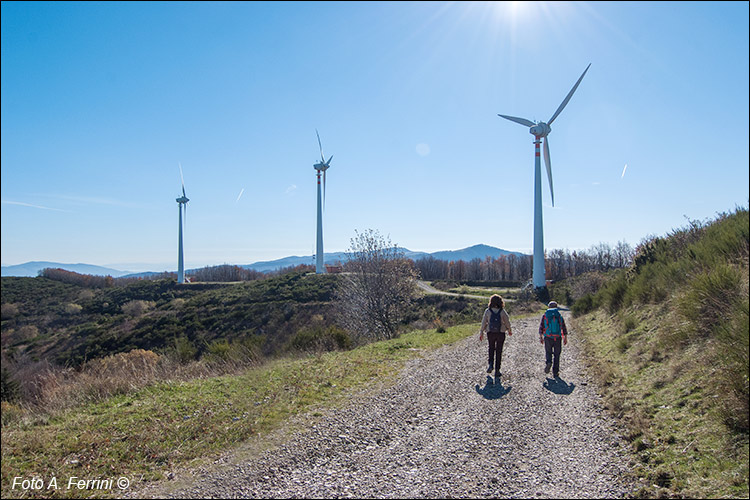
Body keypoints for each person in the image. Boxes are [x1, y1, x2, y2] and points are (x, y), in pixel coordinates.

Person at [479, 294, 512, 379]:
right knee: (499, 351)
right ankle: (497, 370)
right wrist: (509, 330)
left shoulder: (488, 311)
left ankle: (490, 364)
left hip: (490, 332)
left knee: (491, 348)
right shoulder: (502, 311)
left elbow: (484, 322)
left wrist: (481, 332)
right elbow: (507, 321)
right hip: (500, 333)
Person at [539, 300, 568, 378]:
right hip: (557, 337)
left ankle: (549, 362)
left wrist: (541, 337)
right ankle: (555, 372)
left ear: (548, 307)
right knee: (557, 355)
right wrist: (565, 337)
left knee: (548, 352)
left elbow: (541, 327)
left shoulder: (545, 315)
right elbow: (563, 327)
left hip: (548, 337)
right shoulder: (559, 315)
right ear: (556, 307)